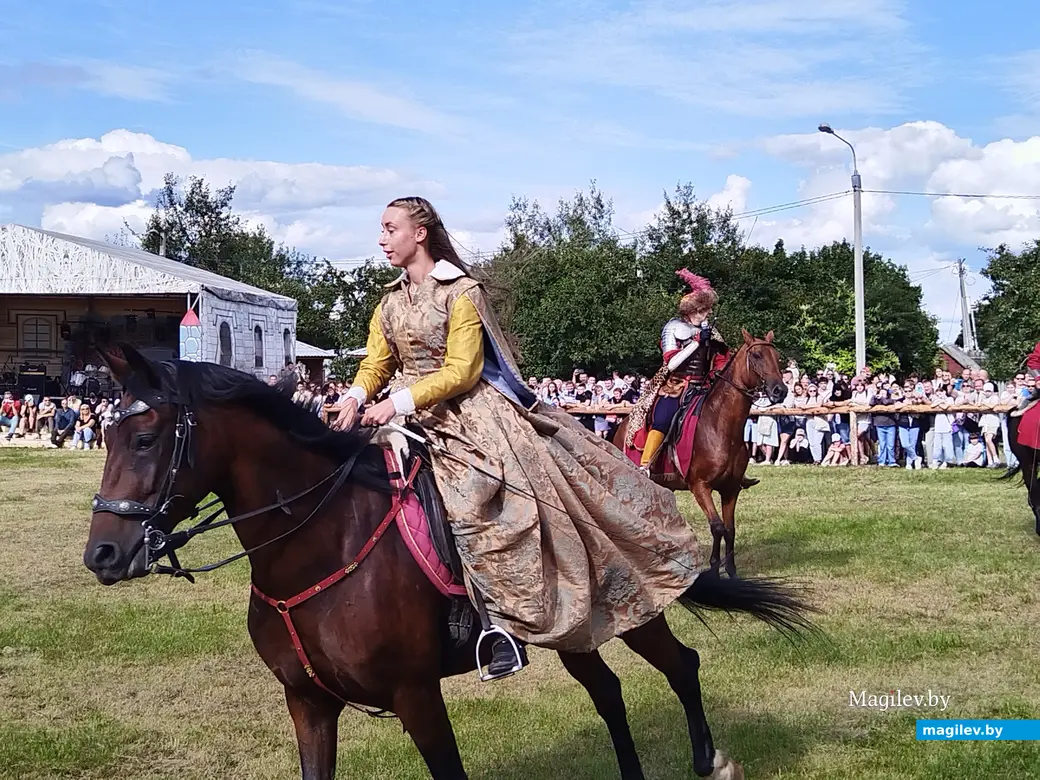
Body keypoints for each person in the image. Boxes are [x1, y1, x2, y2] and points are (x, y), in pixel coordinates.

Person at [330, 196, 701, 680]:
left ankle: (498, 626)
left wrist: (395, 403)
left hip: (469, 416)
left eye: (389, 228)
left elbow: (463, 370)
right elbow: (378, 361)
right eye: (380, 229)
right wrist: (357, 396)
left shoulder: (460, 292)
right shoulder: (390, 301)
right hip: (402, 413)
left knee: (472, 502)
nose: (381, 239)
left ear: (419, 233)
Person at [627, 269, 730, 477]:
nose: (708, 313)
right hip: (676, 385)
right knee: (663, 418)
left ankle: (732, 469)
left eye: (708, 310)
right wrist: (695, 343)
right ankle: (644, 465)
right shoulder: (673, 328)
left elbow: (721, 360)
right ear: (692, 311)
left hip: (704, 385)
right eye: (704, 310)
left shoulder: (709, 330)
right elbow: (672, 363)